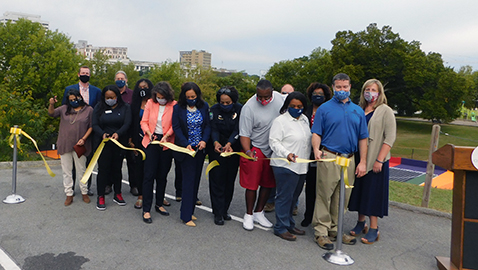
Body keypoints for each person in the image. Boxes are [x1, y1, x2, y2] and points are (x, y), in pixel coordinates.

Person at [311, 73, 368, 250]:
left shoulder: (358, 110)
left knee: (342, 198)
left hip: (349, 159)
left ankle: (336, 229)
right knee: (324, 195)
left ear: (350, 87)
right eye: (338, 87)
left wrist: (362, 161)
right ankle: (321, 231)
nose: (342, 90)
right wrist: (316, 150)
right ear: (333, 87)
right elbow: (316, 133)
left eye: (345, 87)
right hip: (329, 156)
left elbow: (363, 138)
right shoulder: (324, 109)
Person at [348, 79, 396, 244]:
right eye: (367, 89)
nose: (370, 92)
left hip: (376, 159)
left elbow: (390, 137)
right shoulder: (360, 109)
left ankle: (374, 229)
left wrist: (379, 160)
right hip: (360, 158)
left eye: (373, 89)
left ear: (380, 92)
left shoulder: (385, 111)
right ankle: (361, 223)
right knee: (360, 191)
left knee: (372, 194)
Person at [239, 79, 282, 231]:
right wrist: (248, 151)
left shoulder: (280, 99)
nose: (263, 100)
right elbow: (244, 134)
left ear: (272, 92)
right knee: (252, 184)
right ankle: (249, 214)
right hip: (256, 147)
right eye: (260, 97)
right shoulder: (249, 107)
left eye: (266, 97)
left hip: (274, 148)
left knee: (268, 183)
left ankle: (259, 212)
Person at [269, 92, 311, 241]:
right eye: (293, 106)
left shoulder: (305, 120)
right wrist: (286, 153)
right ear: (287, 105)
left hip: (301, 166)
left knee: (294, 197)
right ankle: (280, 227)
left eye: (299, 106)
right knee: (284, 197)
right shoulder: (280, 121)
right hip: (284, 165)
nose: (296, 109)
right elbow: (274, 141)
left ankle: (289, 224)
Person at [172, 82, 211, 227]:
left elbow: (207, 125)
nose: (191, 99)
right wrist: (184, 143)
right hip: (186, 150)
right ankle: (185, 216)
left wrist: (204, 140)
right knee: (188, 182)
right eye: (188, 97)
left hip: (199, 150)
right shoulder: (178, 108)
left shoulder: (204, 106)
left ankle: (190, 211)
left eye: (193, 96)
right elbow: (176, 127)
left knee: (195, 182)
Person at [140, 82, 177, 224]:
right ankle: (146, 209)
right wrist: (148, 132)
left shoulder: (174, 105)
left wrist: (167, 136)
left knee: (162, 175)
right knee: (149, 176)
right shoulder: (150, 103)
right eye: (158, 97)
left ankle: (159, 203)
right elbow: (143, 121)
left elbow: (175, 124)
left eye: (163, 97)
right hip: (151, 141)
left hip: (167, 142)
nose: (160, 99)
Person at [61, 65, 102, 196]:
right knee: (71, 162)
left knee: (87, 160)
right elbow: (64, 108)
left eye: (87, 73)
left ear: (90, 75)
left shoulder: (96, 91)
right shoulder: (69, 89)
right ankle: (71, 188)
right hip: (73, 129)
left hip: (90, 129)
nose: (85, 74)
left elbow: (99, 109)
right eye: (83, 72)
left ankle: (86, 187)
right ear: (78, 74)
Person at [49, 89, 93, 206]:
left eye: (75, 99)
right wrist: (51, 104)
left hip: (80, 144)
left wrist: (84, 138)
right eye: (71, 100)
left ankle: (84, 192)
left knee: (81, 170)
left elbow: (91, 126)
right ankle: (69, 193)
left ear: (80, 97)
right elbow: (51, 114)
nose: (74, 101)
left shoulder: (88, 110)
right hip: (65, 143)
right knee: (66, 171)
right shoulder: (64, 109)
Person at [92, 85, 131, 211]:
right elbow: (94, 124)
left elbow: (127, 123)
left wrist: (118, 133)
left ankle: (118, 194)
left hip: (118, 143)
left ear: (117, 96)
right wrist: (102, 133)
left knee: (117, 170)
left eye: (112, 97)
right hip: (103, 144)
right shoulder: (99, 107)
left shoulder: (125, 107)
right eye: (107, 97)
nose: (110, 99)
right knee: (103, 170)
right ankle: (101, 196)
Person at [208, 86, 242, 225]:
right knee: (217, 180)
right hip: (217, 149)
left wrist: (230, 143)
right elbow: (213, 128)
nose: (225, 105)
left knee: (229, 181)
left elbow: (238, 128)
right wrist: (216, 142)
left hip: (233, 148)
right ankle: (217, 212)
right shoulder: (214, 110)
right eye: (223, 102)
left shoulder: (240, 109)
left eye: (228, 103)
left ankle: (225, 209)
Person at [301, 82, 332, 227]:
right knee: (310, 186)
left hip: (324, 153)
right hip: (306, 153)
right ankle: (308, 215)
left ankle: (322, 217)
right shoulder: (304, 111)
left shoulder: (329, 111)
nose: (317, 96)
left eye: (321, 94)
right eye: (315, 94)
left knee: (324, 187)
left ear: (326, 97)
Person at [103, 71, 136, 196]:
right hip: (114, 134)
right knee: (113, 162)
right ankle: (109, 184)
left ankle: (134, 185)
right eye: (117, 78)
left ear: (126, 80)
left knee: (132, 161)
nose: (120, 80)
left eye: (122, 78)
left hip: (129, 132)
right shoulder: (110, 94)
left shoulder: (132, 95)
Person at [265, 83, 295, 213]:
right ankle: (270, 201)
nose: (286, 96)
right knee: (274, 178)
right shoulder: (275, 110)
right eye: (283, 93)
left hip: (294, 153)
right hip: (277, 150)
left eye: (289, 93)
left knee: (293, 181)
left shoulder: (300, 114)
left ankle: (294, 205)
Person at [129, 79, 154, 209]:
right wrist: (131, 141)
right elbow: (131, 123)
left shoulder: (155, 103)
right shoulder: (134, 105)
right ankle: (141, 195)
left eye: (145, 87)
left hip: (154, 141)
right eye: (140, 87)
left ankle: (158, 195)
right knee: (139, 169)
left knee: (155, 170)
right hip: (138, 141)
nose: (143, 89)